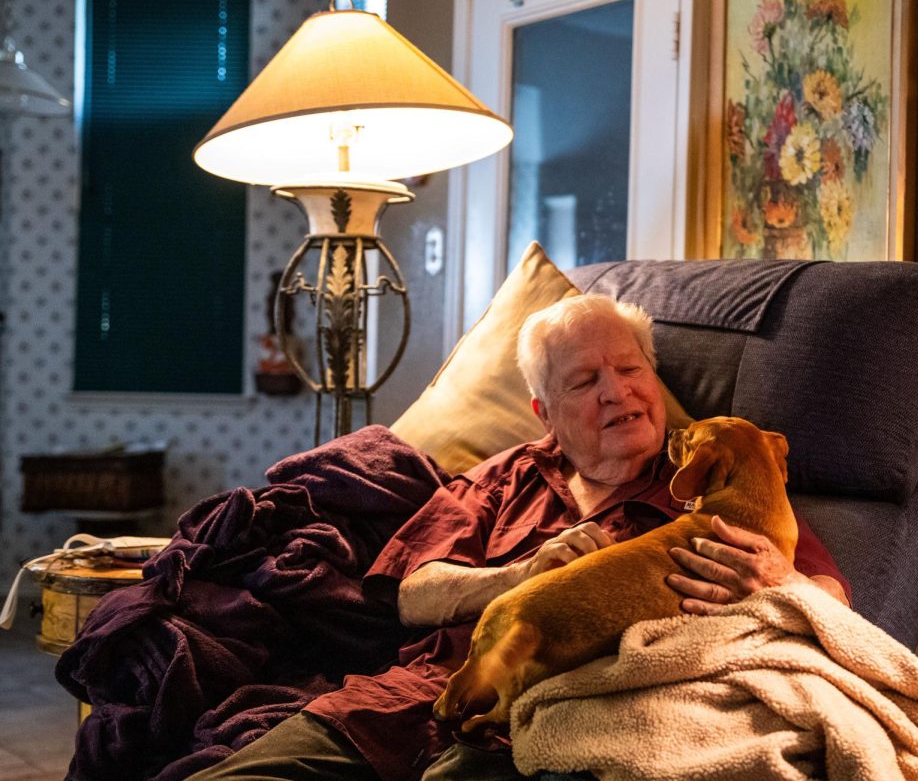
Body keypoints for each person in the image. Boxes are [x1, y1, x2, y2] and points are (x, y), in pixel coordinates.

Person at [190, 294, 849, 781]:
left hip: (549, 721)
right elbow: (411, 592)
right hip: (401, 702)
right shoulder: (506, 478)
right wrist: (522, 575)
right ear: (546, 413)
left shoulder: (721, 477)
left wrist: (783, 584)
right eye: (585, 382)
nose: (619, 393)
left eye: (630, 370)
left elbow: (835, 600)